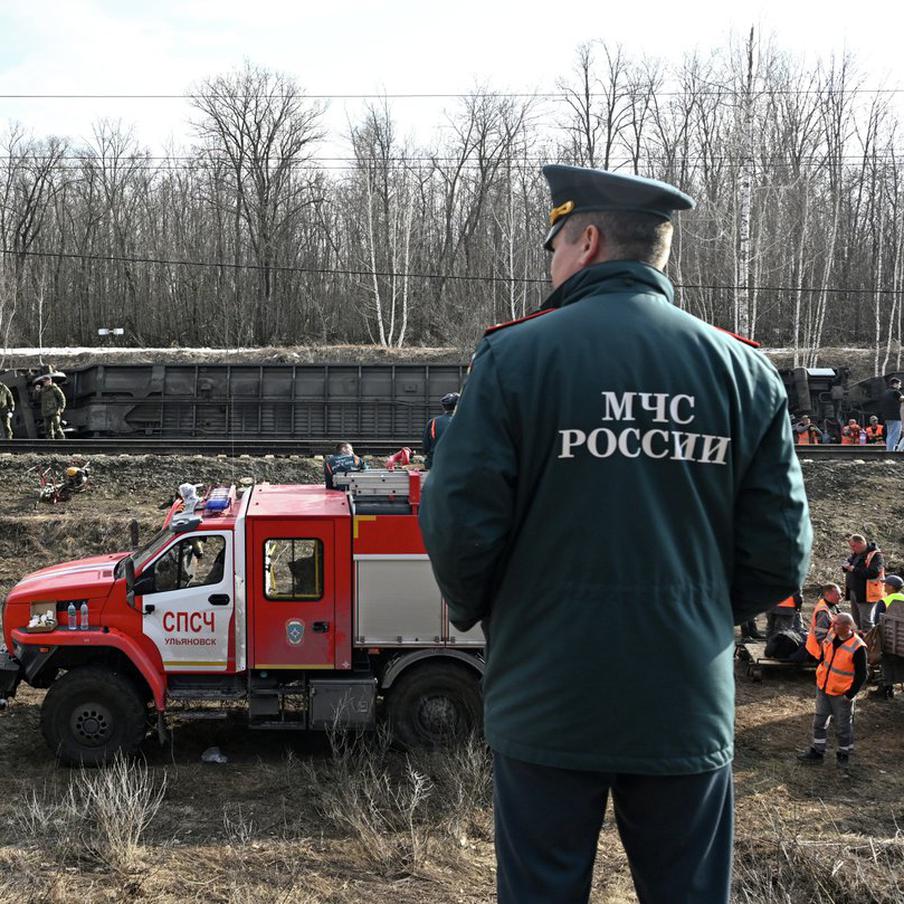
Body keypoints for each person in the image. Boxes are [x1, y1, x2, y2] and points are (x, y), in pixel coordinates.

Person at [419, 164, 812, 904]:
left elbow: (458, 521)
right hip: (682, 696)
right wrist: (695, 612)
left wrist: (501, 613)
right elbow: (782, 550)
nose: (554, 264)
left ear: (588, 240)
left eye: (555, 247)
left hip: (547, 689)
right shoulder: (743, 372)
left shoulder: (514, 358)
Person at [798, 612, 867, 767]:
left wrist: (850, 695)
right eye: (833, 623)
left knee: (843, 726)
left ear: (847, 626)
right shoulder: (831, 635)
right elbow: (824, 656)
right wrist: (820, 673)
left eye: (837, 624)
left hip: (841, 694)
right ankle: (817, 751)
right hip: (823, 688)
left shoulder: (857, 647)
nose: (833, 626)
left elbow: (863, 674)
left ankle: (843, 754)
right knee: (819, 721)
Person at [870, 574, 904, 700]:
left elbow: (876, 622)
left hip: (890, 640)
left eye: (885, 584)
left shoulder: (884, 601)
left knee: (886, 661)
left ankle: (885, 689)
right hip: (902, 641)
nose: (883, 586)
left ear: (891, 587)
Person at [842, 534, 884, 631]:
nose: (852, 549)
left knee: (866, 621)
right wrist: (845, 566)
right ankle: (860, 642)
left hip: (867, 594)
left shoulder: (876, 555)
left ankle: (870, 644)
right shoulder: (856, 553)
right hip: (854, 591)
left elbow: (874, 572)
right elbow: (849, 564)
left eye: (854, 546)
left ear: (861, 543)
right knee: (856, 621)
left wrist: (854, 569)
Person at [422, 392, 459, 470]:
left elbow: (426, 447)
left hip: (435, 464)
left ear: (444, 407)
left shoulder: (433, 422)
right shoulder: (465, 422)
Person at [36, 375, 66, 440]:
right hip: (46, 412)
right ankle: (50, 442)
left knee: (57, 427)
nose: (44, 383)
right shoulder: (42, 390)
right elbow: (36, 398)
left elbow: (62, 398)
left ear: (50, 381)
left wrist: (61, 407)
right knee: (47, 428)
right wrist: (36, 391)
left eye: (45, 381)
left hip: (54, 411)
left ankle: (63, 440)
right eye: (43, 382)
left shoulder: (55, 389)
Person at [879, 377, 903, 451]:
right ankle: (890, 452)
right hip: (896, 417)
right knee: (895, 435)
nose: (900, 386)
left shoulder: (885, 392)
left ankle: (888, 450)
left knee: (890, 435)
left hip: (887, 417)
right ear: (895, 384)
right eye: (899, 385)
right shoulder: (895, 392)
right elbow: (902, 398)